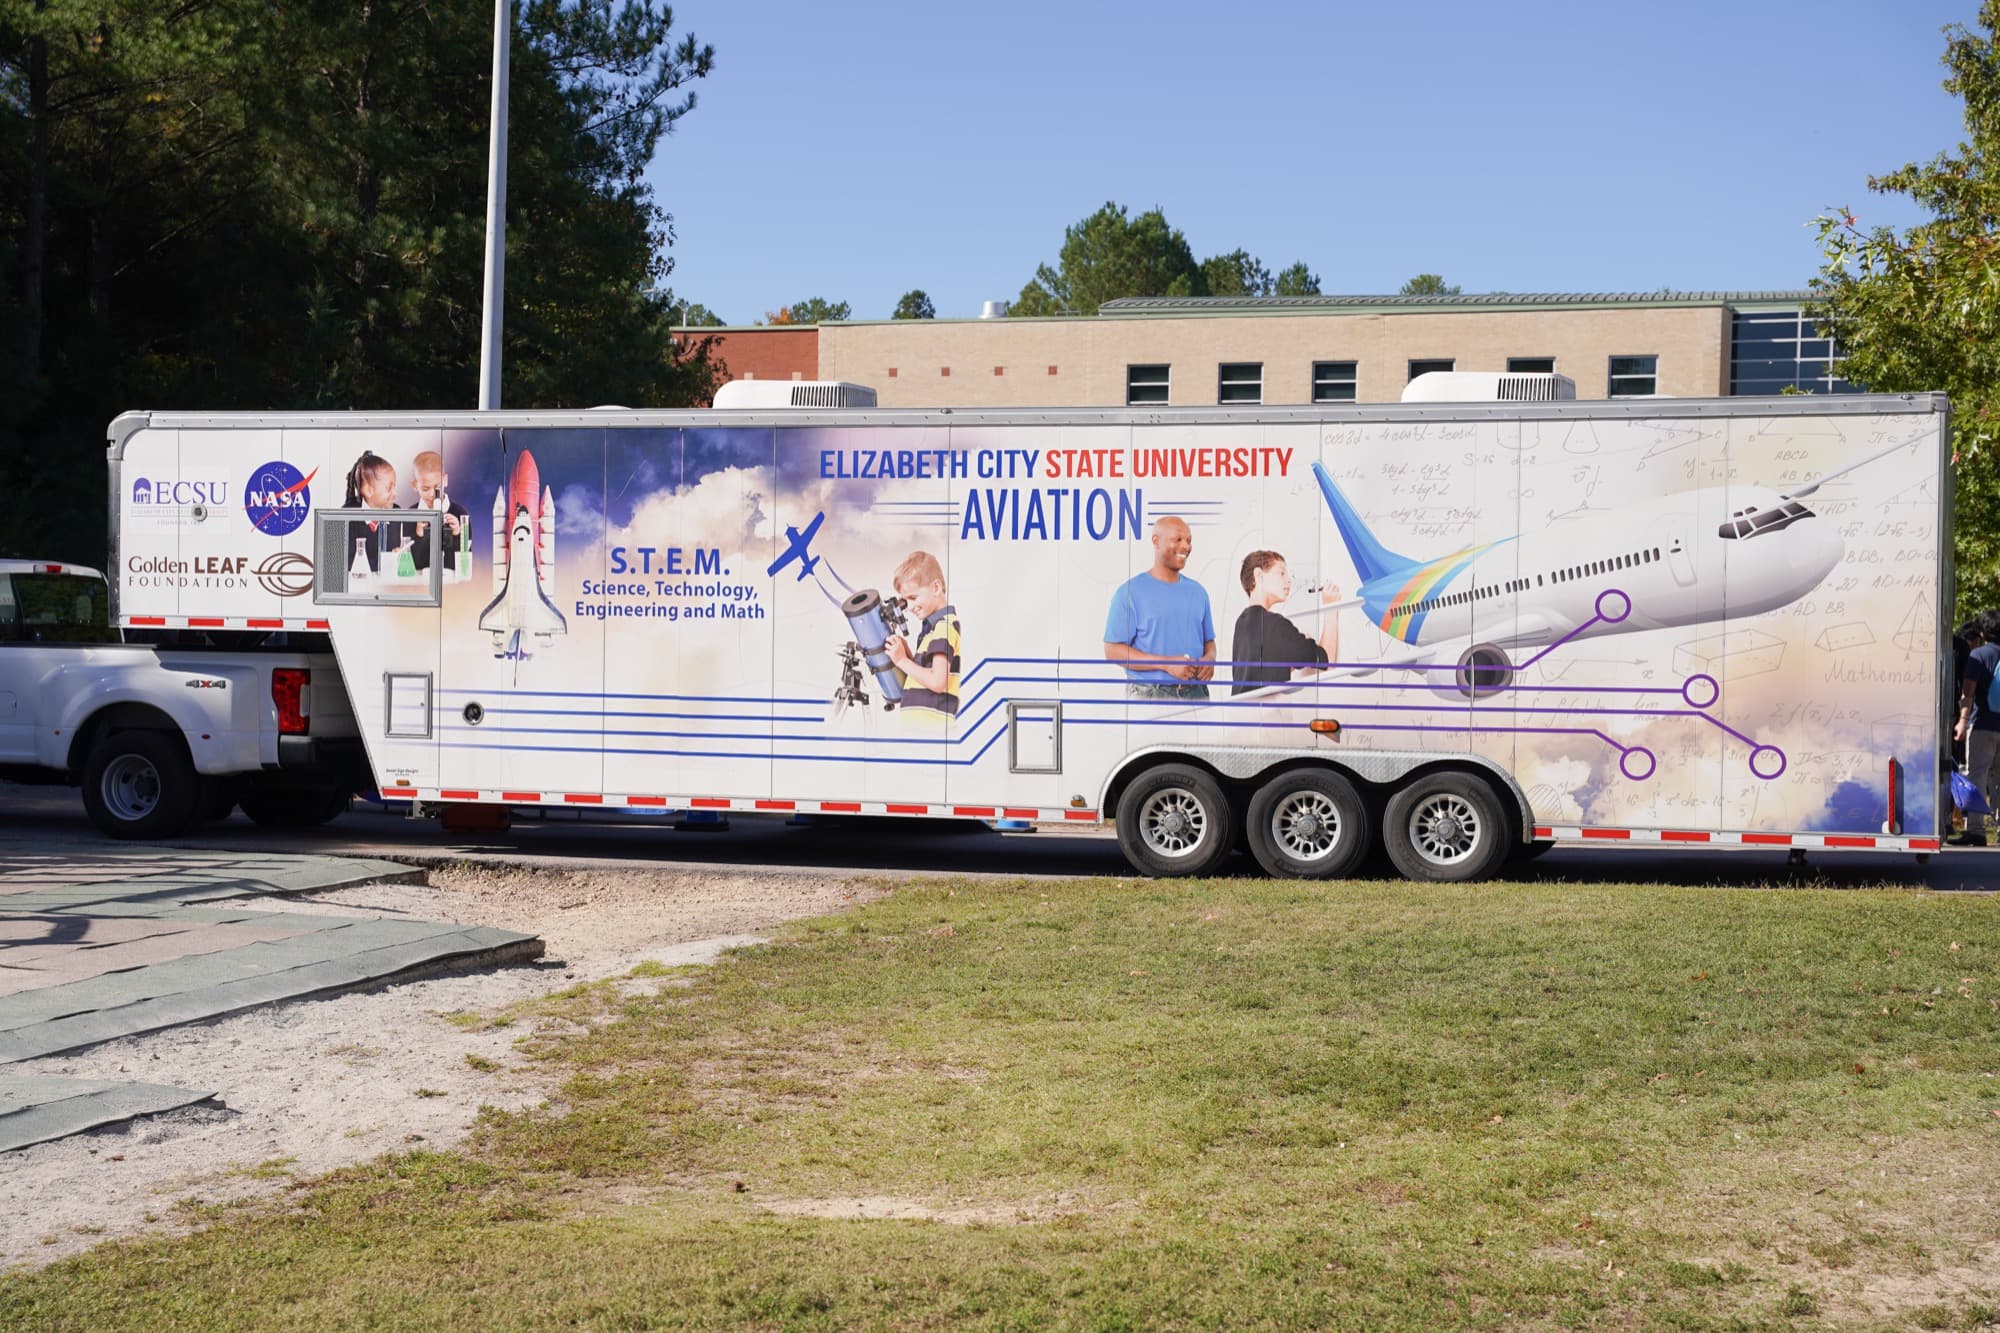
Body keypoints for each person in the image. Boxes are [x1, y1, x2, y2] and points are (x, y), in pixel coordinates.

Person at [1103, 515, 1215, 700]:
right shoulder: (1129, 593)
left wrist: (1210, 659)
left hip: (1197, 694)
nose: (1186, 546)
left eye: (1188, 540)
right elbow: (1112, 651)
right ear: (1156, 541)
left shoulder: (1199, 592)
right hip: (1150, 696)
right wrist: (1166, 664)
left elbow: (1209, 642)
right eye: (1177, 539)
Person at [1229, 551, 1340, 694]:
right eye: (1281, 573)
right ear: (1259, 575)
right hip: (1266, 708)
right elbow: (1327, 659)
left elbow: (1260, 672)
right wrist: (1331, 606)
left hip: (1239, 707)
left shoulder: (1242, 623)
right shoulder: (1276, 625)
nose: (1288, 581)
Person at [883, 550, 960, 716]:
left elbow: (937, 682)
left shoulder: (944, 627)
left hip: (932, 727)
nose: (910, 607)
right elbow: (923, 678)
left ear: (936, 587)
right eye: (905, 601)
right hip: (923, 727)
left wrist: (901, 660)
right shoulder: (931, 630)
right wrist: (906, 654)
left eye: (913, 598)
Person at [1951, 609, 2000, 846]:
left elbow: (1967, 693)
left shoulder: (1978, 655)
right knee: (1998, 778)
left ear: (1982, 631)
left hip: (1982, 726)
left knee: (1977, 775)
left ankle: (1976, 830)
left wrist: (1962, 720)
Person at [341, 451, 406, 575]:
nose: (395, 493)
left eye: (395, 487)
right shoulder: (348, 517)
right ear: (368, 491)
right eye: (389, 488)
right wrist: (388, 560)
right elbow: (348, 564)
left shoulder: (396, 514)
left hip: (387, 584)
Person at [409, 449, 470, 576]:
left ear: (445, 480)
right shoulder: (410, 515)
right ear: (415, 485)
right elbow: (409, 564)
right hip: (418, 582)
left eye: (437, 488)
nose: (432, 494)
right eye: (425, 489)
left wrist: (457, 534)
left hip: (451, 582)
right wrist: (419, 536)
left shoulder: (460, 514)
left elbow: (463, 566)